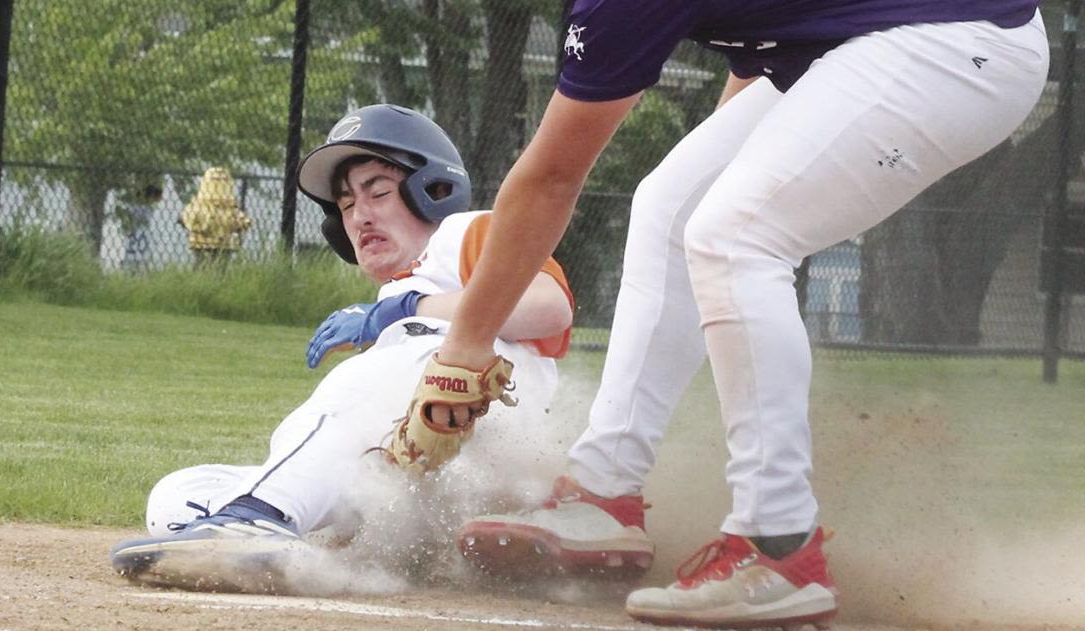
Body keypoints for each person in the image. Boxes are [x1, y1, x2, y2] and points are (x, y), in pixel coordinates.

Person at [409, 2, 1050, 628]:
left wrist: (462, 352)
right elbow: (761, 36)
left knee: (735, 234)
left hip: (959, 41)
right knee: (673, 207)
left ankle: (777, 548)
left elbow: (552, 176)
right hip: (863, 40)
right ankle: (602, 491)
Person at [109, 104, 574, 589]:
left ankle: (257, 519)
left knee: (364, 378)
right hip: (426, 484)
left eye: (377, 192)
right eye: (347, 205)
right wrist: (399, 308)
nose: (360, 215)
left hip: (492, 432)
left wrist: (406, 309)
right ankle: (289, 541)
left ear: (432, 192)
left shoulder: (465, 231)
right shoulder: (396, 296)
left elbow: (550, 308)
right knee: (176, 496)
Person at [179, 166, 252, 269]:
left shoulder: (228, 209)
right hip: (206, 240)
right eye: (216, 180)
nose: (219, 181)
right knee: (208, 266)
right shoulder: (200, 208)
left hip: (218, 241)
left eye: (222, 180)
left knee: (211, 266)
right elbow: (190, 217)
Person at [122, 182, 163, 274]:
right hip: (142, 244)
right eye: (159, 198)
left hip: (138, 244)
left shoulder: (136, 209)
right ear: (153, 197)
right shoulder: (149, 210)